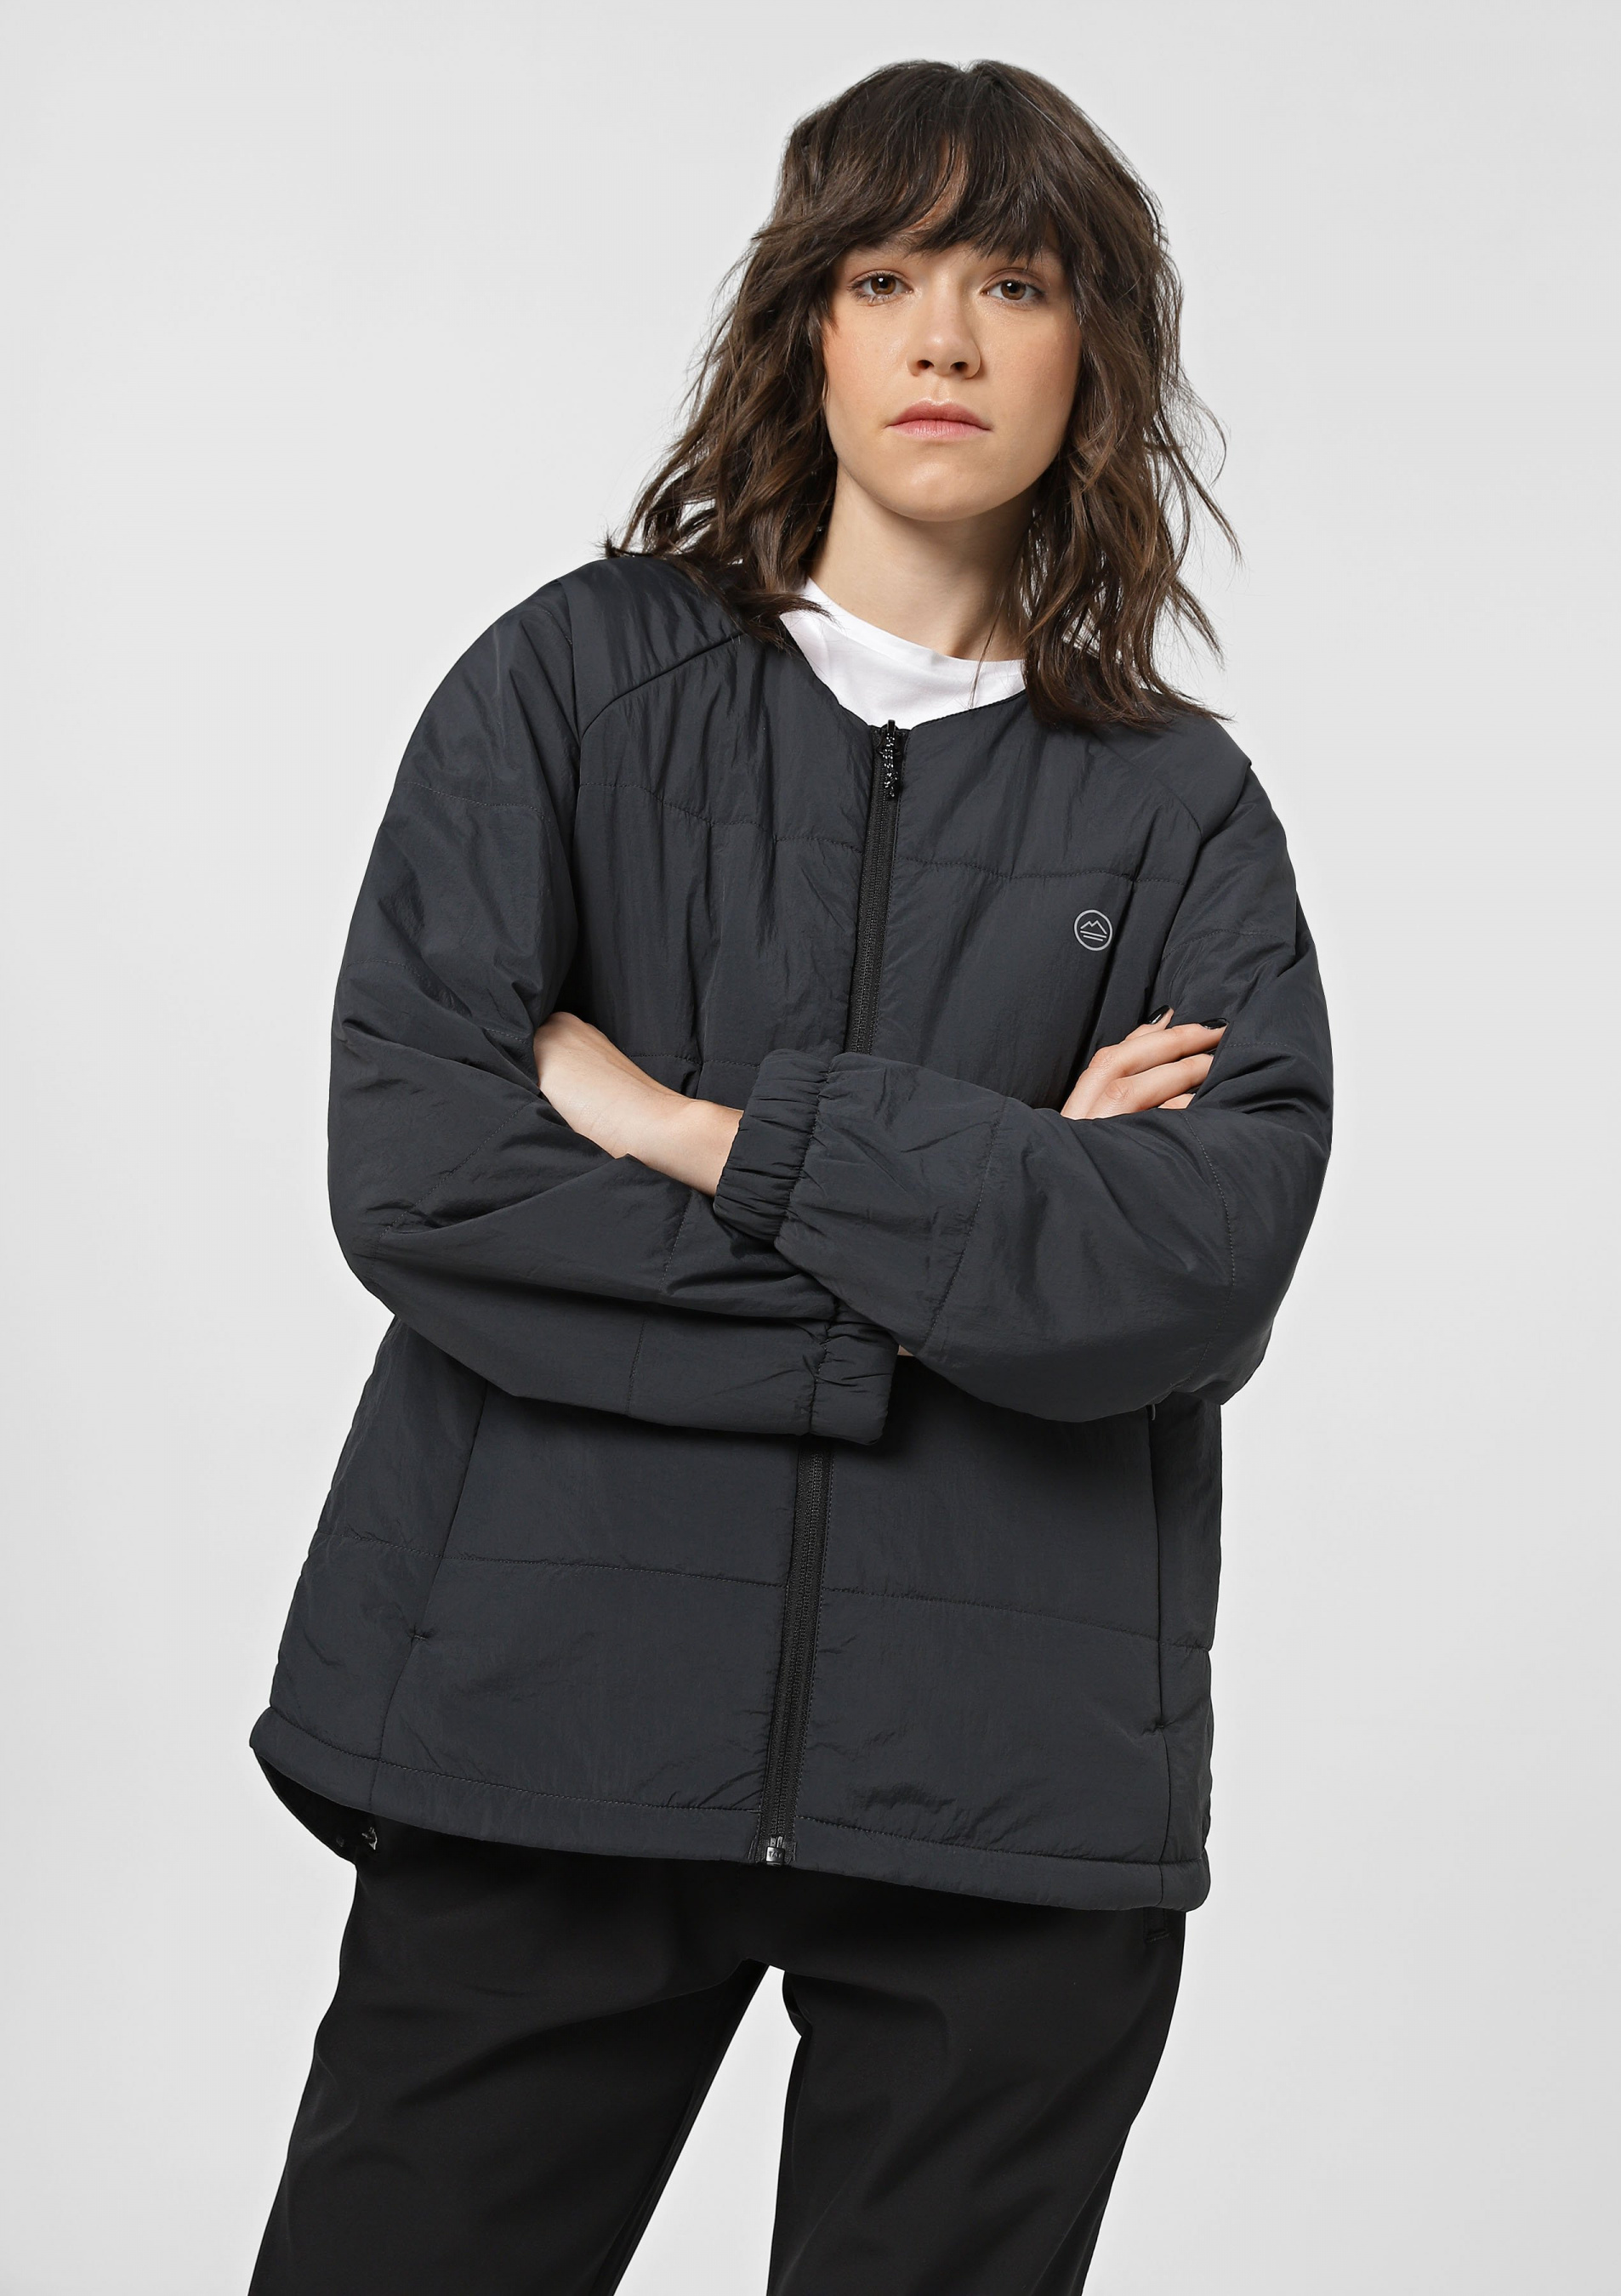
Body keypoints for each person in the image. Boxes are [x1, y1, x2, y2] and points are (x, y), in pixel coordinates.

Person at [247, 57, 1332, 2296]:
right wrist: (984, 1230)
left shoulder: (1178, 816)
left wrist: (696, 1131)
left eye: (1011, 284)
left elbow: (1193, 1272)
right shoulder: (567, 691)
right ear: (803, 327)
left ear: (1092, 350)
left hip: (1007, 1789)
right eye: (884, 277)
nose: (944, 339)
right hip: (547, 1712)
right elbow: (426, 1176)